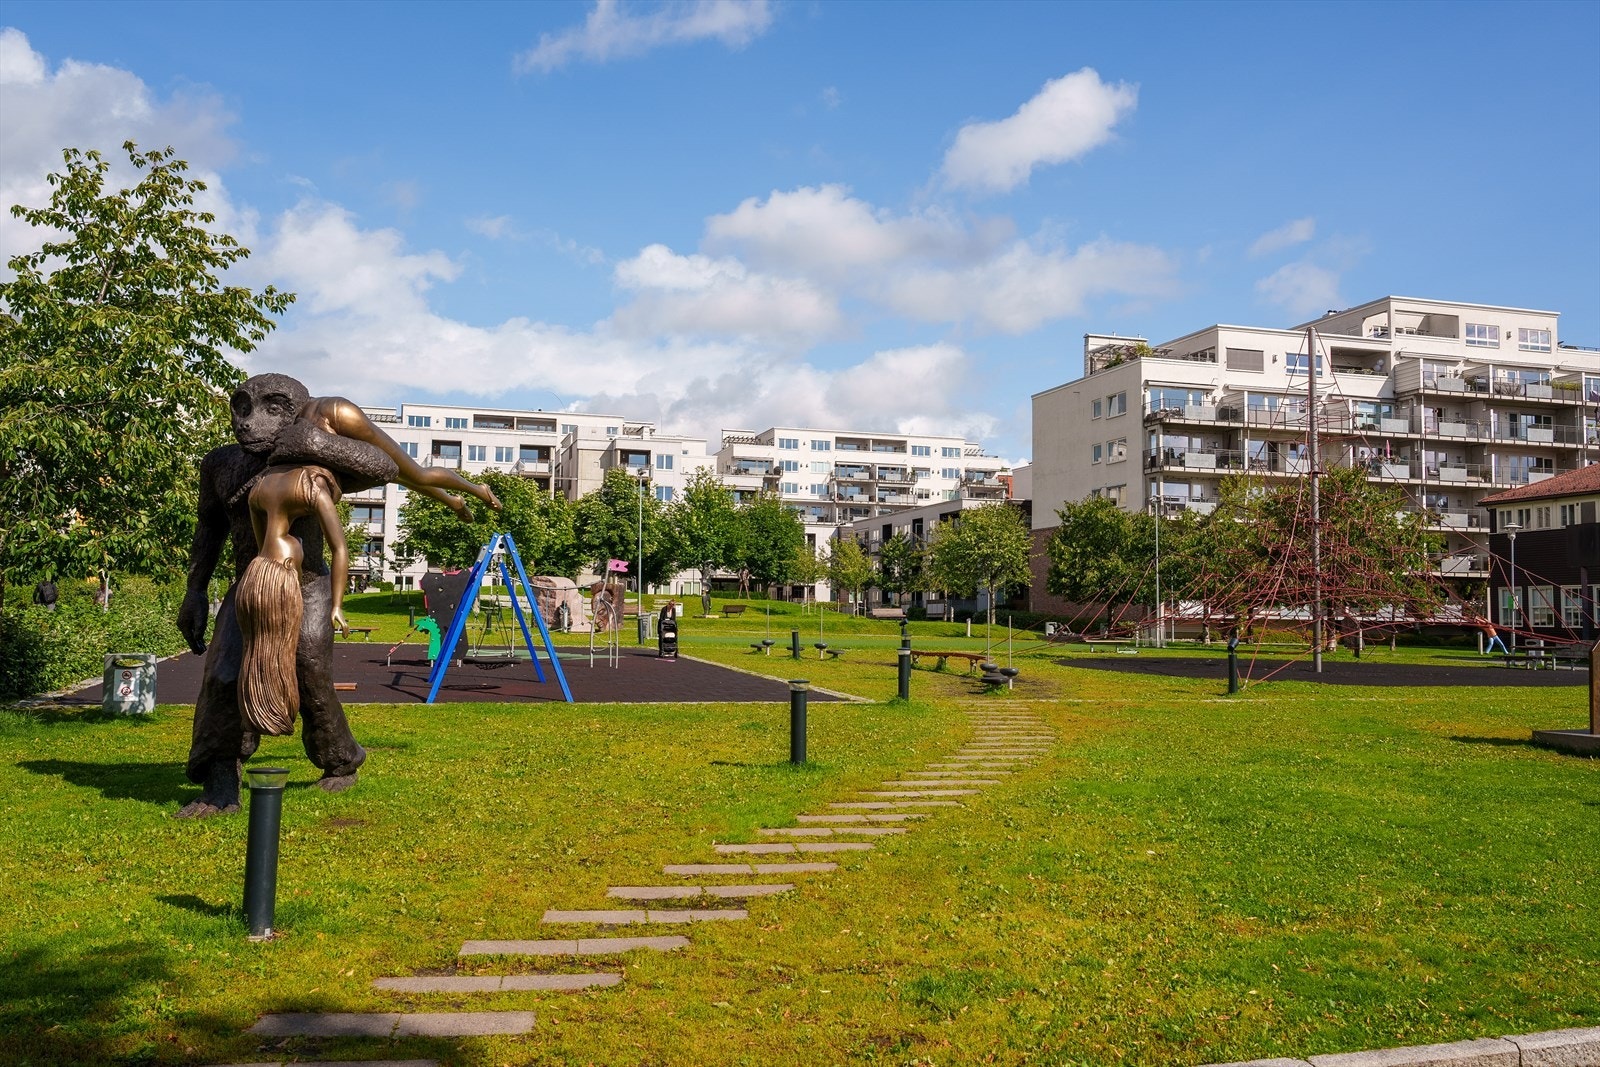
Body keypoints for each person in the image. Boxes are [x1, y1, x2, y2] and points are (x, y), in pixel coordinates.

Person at [178, 373, 425, 817]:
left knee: (309, 668)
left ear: (295, 417)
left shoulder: (311, 463)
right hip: (252, 584)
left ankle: (341, 758)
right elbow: (208, 529)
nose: (248, 422)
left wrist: (315, 442)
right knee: (224, 674)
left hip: (306, 584)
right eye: (242, 407)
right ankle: (219, 780)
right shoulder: (220, 464)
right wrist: (194, 591)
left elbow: (384, 467)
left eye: (271, 410)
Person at [237, 464, 349, 736]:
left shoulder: (258, 489)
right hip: (277, 577)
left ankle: (259, 708)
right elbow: (339, 549)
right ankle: (276, 709)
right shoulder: (313, 489)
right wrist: (336, 604)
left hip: (256, 574)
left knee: (257, 649)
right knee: (279, 648)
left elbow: (261, 542)